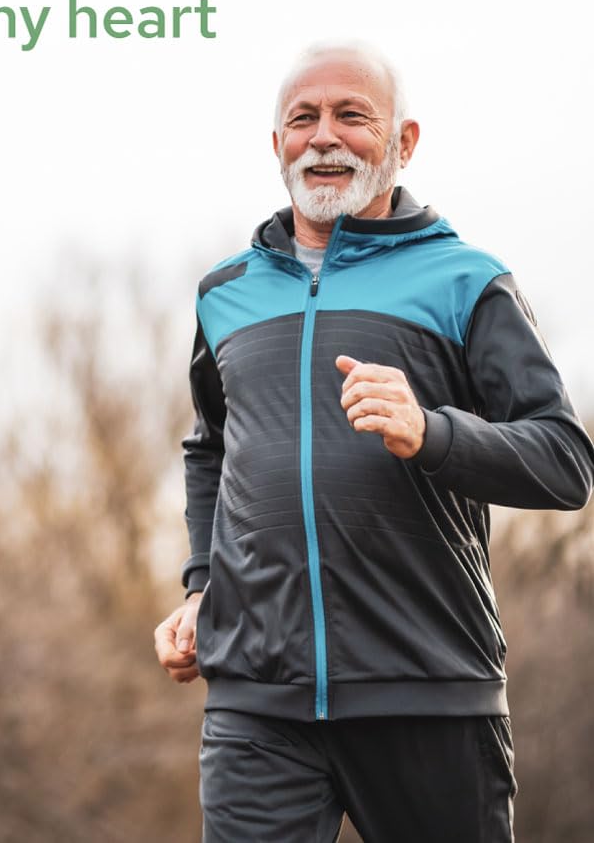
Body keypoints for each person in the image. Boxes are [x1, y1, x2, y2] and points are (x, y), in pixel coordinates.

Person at [153, 42, 594, 842]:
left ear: (404, 142)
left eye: (352, 115)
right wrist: (200, 585)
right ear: (277, 143)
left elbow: (565, 461)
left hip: (429, 692)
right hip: (256, 701)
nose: (324, 136)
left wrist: (432, 433)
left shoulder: (466, 281)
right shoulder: (224, 295)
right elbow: (212, 449)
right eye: (303, 119)